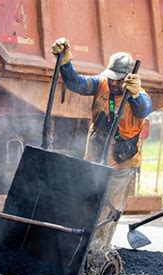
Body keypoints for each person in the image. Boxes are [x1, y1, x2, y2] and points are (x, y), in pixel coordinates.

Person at [51, 38, 152, 252]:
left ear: (128, 77)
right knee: (86, 205)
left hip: (122, 165)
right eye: (112, 78)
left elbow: (144, 109)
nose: (114, 83)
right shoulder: (101, 83)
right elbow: (76, 83)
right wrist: (65, 63)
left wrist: (134, 93)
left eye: (119, 80)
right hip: (95, 159)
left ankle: (96, 255)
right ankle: (79, 249)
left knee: (108, 213)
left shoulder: (138, 95)